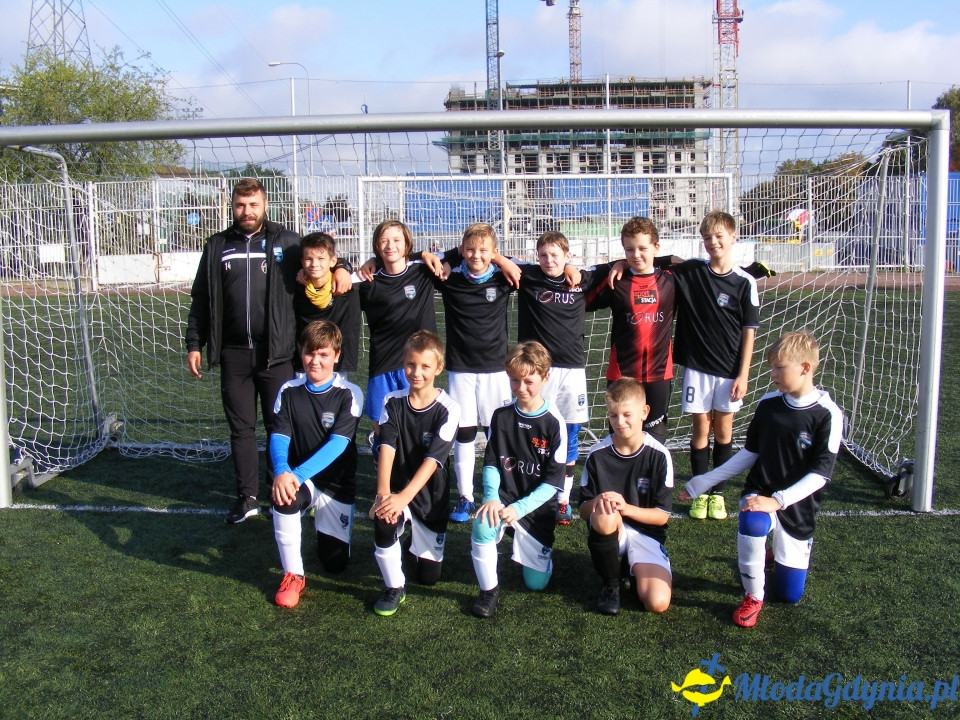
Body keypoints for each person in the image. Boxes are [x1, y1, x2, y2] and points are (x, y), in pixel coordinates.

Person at [679, 330, 841, 628]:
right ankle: (753, 596)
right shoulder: (768, 404)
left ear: (805, 368)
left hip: (797, 506)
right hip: (759, 491)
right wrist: (703, 481)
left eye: (780, 368)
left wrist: (777, 501)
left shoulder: (827, 413)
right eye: (771, 368)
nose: (772, 375)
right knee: (752, 522)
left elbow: (820, 475)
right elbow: (749, 454)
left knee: (789, 595)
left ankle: (772, 555)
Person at [185, 178, 302, 524]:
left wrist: (342, 269)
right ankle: (247, 497)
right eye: (240, 205)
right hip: (234, 354)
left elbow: (319, 261)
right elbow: (201, 299)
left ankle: (279, 491)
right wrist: (195, 343)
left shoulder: (287, 241)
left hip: (276, 354)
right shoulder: (218, 245)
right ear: (232, 206)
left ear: (265, 205)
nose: (246, 211)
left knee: (279, 427)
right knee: (241, 429)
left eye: (253, 205)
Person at [672, 210, 760, 521]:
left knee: (723, 431)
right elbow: (662, 262)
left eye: (719, 236)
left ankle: (718, 494)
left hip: (729, 372)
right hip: (697, 369)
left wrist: (743, 375)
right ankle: (699, 492)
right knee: (700, 430)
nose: (713, 242)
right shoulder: (693, 271)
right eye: (707, 237)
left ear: (733, 237)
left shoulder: (745, 282)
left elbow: (749, 332)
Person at [269, 321, 363, 609]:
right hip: (303, 481)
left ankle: (324, 528)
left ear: (336, 356)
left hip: (336, 484)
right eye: (310, 353)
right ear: (302, 353)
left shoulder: (349, 393)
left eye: (323, 354)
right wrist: (282, 471)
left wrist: (295, 475)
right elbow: (279, 436)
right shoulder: (288, 390)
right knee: (285, 498)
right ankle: (293, 575)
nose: (315, 361)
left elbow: (338, 445)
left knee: (335, 564)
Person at [469, 341, 566, 618]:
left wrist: (519, 509)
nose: (521, 388)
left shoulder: (554, 423)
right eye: (514, 380)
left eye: (529, 381)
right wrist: (491, 497)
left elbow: (552, 483)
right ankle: (488, 591)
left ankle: (535, 552)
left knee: (536, 584)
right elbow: (492, 462)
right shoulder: (501, 417)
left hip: (535, 509)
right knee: (482, 523)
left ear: (545, 378)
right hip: (504, 499)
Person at [369, 331, 461, 616]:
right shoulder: (392, 401)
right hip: (398, 489)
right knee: (384, 518)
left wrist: (404, 498)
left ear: (438, 368)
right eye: (410, 364)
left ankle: (413, 539)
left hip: (430, 497)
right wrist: (384, 495)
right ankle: (394, 586)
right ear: (403, 363)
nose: (416, 372)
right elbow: (386, 447)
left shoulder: (449, 408)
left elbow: (433, 460)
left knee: (429, 578)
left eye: (424, 366)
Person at [438, 223, 520, 523]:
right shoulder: (450, 278)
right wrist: (450, 258)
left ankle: (495, 493)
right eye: (470, 250)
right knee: (464, 433)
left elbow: (529, 270)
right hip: (460, 369)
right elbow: (425, 261)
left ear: (494, 253)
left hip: (495, 369)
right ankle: (465, 497)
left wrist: (500, 260)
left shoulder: (503, 278)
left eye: (484, 251)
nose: (476, 255)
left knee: (497, 433)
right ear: (462, 251)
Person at [514, 231, 593, 525]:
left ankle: (562, 499)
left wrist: (574, 270)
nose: (549, 260)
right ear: (537, 257)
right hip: (537, 370)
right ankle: (532, 492)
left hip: (572, 370)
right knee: (534, 431)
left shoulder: (582, 279)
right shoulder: (529, 276)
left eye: (556, 255)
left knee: (569, 434)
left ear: (567, 256)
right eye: (543, 255)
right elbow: (493, 257)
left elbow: (614, 267)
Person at [579, 378, 673, 616]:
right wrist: (598, 501)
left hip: (646, 534)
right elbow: (583, 510)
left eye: (627, 415)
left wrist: (626, 508)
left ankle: (632, 568)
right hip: (613, 529)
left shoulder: (659, 455)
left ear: (644, 412)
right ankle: (611, 585)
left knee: (657, 603)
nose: (619, 422)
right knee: (604, 514)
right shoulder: (597, 454)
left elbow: (662, 516)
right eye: (613, 415)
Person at [585, 217, 676, 446]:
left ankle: (652, 470)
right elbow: (581, 301)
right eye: (629, 250)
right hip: (622, 372)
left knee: (655, 437)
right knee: (621, 433)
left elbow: (697, 268)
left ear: (656, 247)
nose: (636, 255)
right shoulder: (616, 281)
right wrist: (618, 264)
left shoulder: (671, 279)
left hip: (659, 373)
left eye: (643, 248)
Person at [353, 220, 442, 446]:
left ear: (407, 244)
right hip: (382, 364)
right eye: (384, 241)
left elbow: (462, 254)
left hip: (417, 364)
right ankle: (383, 464)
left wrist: (423, 253)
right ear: (376, 245)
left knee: (420, 425)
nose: (390, 245)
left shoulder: (423, 270)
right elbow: (336, 275)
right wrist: (352, 267)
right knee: (383, 425)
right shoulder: (368, 281)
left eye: (396, 240)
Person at [294, 232, 361, 377]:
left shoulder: (347, 286)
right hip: (303, 366)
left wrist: (344, 267)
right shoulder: (294, 287)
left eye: (320, 259)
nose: (314, 264)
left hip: (337, 367)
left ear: (332, 261)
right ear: (302, 262)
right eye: (309, 259)